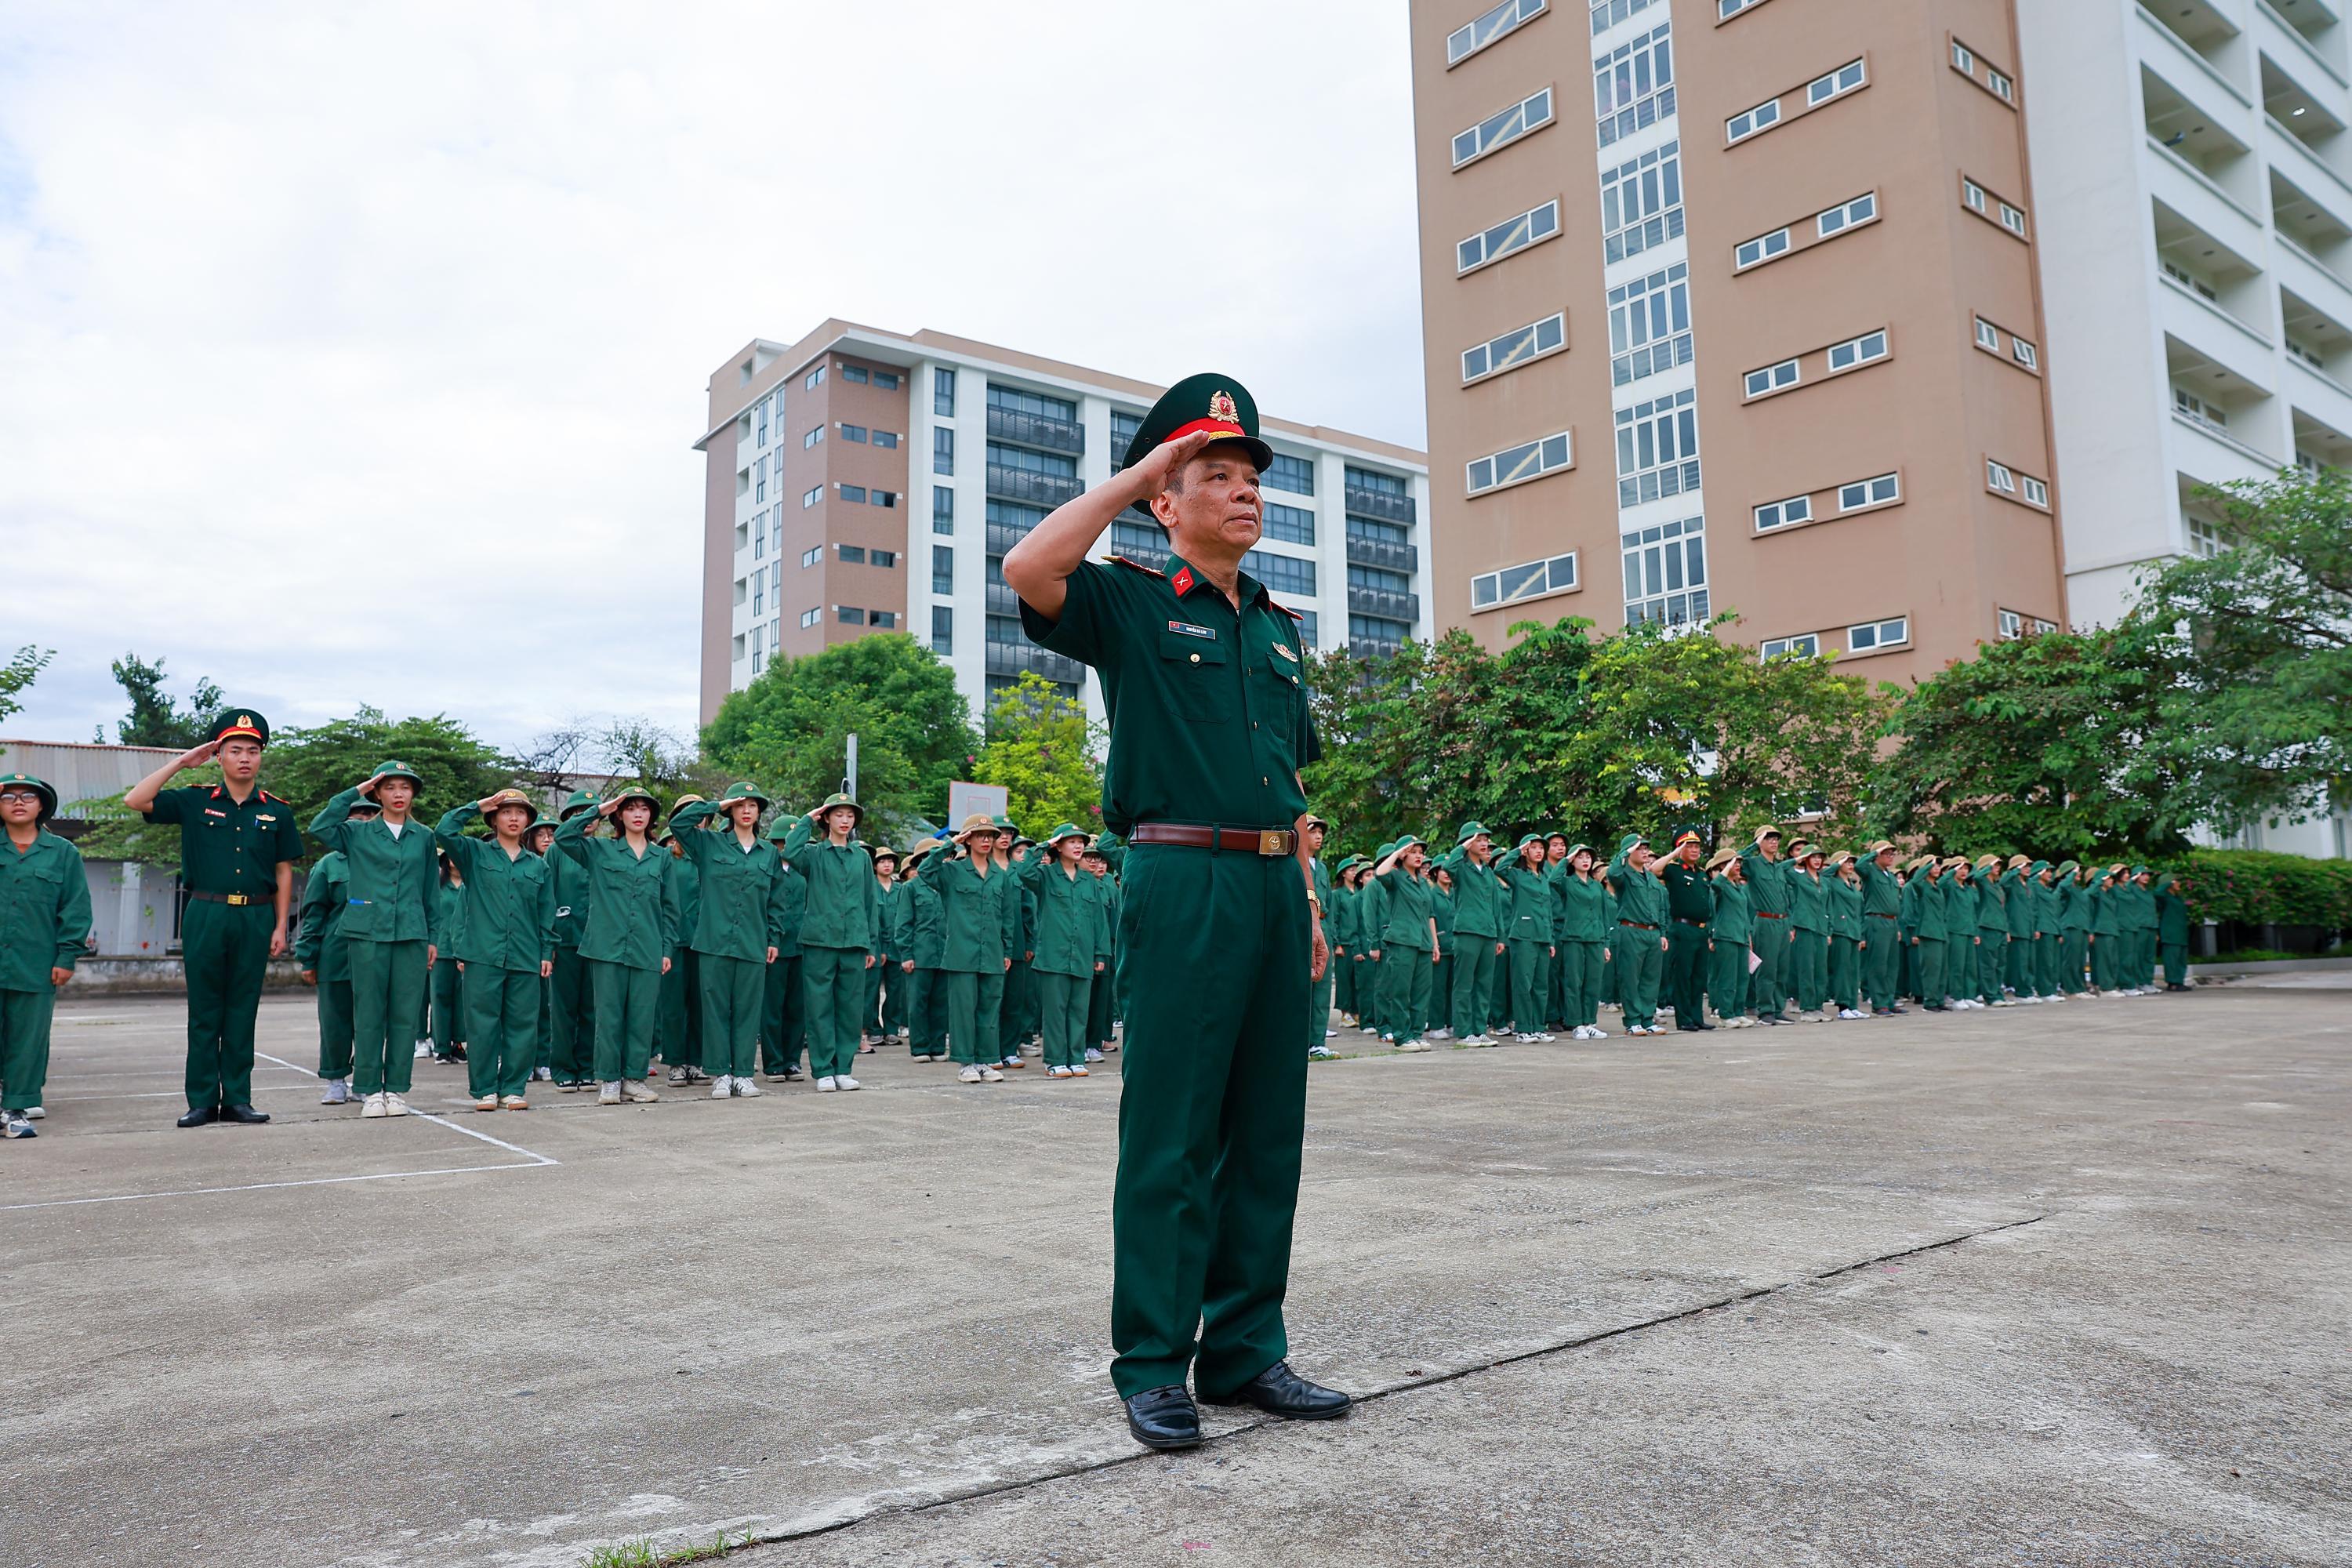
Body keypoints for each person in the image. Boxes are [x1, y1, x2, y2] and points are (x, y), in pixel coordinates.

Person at [1004, 373, 1346, 1450]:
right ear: (1168, 498)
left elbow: (1292, 791)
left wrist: (1308, 897)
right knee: (1172, 1135)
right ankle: (1154, 1363)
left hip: (1267, 888)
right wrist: (1141, 471)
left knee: (1266, 1134)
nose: (1245, 496)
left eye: (1252, 482)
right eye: (1218, 477)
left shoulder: (1283, 631)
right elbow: (1028, 567)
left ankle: (1248, 1351)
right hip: (1179, 877)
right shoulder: (1134, 602)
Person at [125, 712, 303, 1127]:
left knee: (243, 1008)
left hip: (257, 914)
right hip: (207, 911)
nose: (245, 758)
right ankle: (202, 1100)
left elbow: (283, 870)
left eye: (253, 751)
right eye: (235, 750)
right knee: (205, 1010)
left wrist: (280, 926)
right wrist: (182, 762)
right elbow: (136, 800)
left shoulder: (277, 811)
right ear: (218, 755)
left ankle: (238, 1098)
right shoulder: (194, 798)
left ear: (261, 758)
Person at [313, 761, 441, 1119]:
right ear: (378, 792)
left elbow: (431, 890)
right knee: (368, 1012)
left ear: (413, 793)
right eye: (389, 787)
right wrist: (357, 790)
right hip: (367, 932)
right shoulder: (357, 833)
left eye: (405, 787)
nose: (398, 794)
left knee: (405, 1015)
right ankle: (369, 1089)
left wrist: (432, 937)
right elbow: (320, 825)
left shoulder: (424, 837)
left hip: (412, 934)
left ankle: (397, 1089)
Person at [434, 789, 557, 1112]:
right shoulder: (475, 854)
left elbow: (546, 912)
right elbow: (444, 830)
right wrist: (475, 806)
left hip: (526, 955)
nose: (513, 818)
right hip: (483, 954)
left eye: (520, 812)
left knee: (522, 1024)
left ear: (529, 820)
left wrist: (546, 951)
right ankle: (486, 1089)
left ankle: (514, 1087)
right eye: (506, 812)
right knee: (482, 1024)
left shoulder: (538, 866)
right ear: (494, 818)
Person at [554, 788, 678, 1105]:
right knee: (608, 1017)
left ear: (651, 816)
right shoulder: (600, 850)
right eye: (630, 808)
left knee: (641, 1017)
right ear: (619, 815)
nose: (638, 814)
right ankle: (609, 1079)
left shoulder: (661, 857)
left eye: (644, 809)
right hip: (607, 947)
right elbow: (564, 837)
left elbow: (670, 908)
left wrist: (667, 949)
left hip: (648, 947)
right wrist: (598, 809)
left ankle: (634, 1079)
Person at [659, 783, 783, 1098]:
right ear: (730, 810)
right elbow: (678, 824)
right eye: (740, 805)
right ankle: (721, 1074)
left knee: (747, 1009)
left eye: (753, 806)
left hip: (753, 942)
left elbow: (777, 900)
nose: (746, 810)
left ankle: (743, 1073)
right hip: (714, 941)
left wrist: (774, 937)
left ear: (759, 813)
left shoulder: (768, 853)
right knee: (714, 1009)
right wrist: (715, 803)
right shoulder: (710, 844)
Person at [0, 772, 91, 1138]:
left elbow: (76, 909)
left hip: (36, 963)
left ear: (42, 806)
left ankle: (15, 1109)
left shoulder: (64, 853)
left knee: (28, 1037)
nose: (18, 802)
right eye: (9, 797)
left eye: (28, 796)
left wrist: (67, 957)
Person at [779, 794, 877, 1092]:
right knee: (819, 1006)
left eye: (850, 816)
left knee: (849, 1008)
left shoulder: (861, 857)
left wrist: (871, 944)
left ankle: (843, 1068)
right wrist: (808, 818)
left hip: (854, 942)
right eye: (838, 815)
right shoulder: (814, 854)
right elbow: (791, 852)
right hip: (820, 941)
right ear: (827, 819)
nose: (845, 820)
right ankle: (823, 1069)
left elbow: (870, 903)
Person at [295, 795, 376, 1103]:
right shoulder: (329, 865)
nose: (364, 821)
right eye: (357, 816)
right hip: (336, 955)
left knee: (370, 1021)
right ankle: (336, 1080)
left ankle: (367, 1081)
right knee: (335, 1021)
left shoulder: (384, 863)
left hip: (374, 953)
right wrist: (308, 957)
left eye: (370, 816)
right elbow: (314, 913)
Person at [1017, 823, 1108, 1078]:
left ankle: (1076, 1058)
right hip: (1053, 957)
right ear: (1059, 846)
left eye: (1081, 842)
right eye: (1072, 842)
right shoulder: (1045, 876)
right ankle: (1055, 1060)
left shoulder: (1089, 881)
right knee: (1055, 1011)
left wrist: (1100, 954)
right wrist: (1046, 844)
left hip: (1082, 955)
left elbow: (1098, 921)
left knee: (1079, 1010)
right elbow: (1024, 871)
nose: (1079, 846)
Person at [932, 814, 1013, 1083]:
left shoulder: (1000, 877)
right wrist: (949, 844)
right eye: (980, 835)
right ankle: (966, 1062)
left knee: (989, 1009)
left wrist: (1007, 951)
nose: (987, 840)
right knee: (964, 1010)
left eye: (990, 835)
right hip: (961, 954)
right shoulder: (952, 871)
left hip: (992, 953)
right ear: (968, 840)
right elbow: (925, 872)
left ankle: (985, 1060)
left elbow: (1007, 917)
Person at [1438, 822, 1505, 1046]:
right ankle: (1464, 1031)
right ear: (1467, 843)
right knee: (1464, 983)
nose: (1485, 843)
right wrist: (1463, 845)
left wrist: (1500, 937)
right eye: (1479, 839)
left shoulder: (1487, 872)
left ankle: (1479, 1029)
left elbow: (1496, 907)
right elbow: (1448, 866)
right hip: (1467, 931)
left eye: (1486, 839)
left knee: (1484, 984)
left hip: (1488, 932)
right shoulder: (1461, 868)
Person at [1368, 837, 1438, 1051]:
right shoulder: (1396, 878)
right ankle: (1402, 1036)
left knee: (1421, 992)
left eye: (1421, 852)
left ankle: (1417, 1034)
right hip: (1402, 941)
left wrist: (1435, 943)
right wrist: (1398, 852)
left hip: (1424, 942)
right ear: (1404, 855)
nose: (1419, 856)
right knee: (1401, 991)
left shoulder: (1424, 882)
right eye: (1413, 852)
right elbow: (1380, 873)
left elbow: (1430, 915)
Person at [658, 798, 708, 1086]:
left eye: (701, 816)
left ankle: (696, 1060)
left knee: (701, 1004)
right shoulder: (667, 857)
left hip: (704, 941)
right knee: (674, 1004)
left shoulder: (710, 855)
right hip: (674, 941)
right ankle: (676, 1062)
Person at [1493, 833, 1555, 1043]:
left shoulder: (1544, 877)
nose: (1538, 851)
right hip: (1523, 935)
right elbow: (1500, 869)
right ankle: (1523, 1028)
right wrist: (1517, 851)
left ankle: (1538, 1027)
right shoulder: (1519, 875)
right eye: (1533, 847)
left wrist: (1551, 939)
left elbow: (1548, 910)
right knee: (1523, 983)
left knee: (1541, 985)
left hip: (1543, 936)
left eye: (1541, 848)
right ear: (1526, 851)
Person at [761, 818, 810, 1079]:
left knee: (796, 1007)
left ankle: (792, 1059)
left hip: (801, 945)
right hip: (774, 947)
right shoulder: (769, 868)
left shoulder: (804, 871)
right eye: (782, 843)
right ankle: (773, 1062)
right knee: (772, 1007)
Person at [1607, 834, 1668, 1036]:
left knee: (1651, 978)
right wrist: (1623, 854)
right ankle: (1633, 1021)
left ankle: (1647, 1018)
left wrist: (1662, 932)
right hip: (1631, 929)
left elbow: (1660, 907)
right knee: (1630, 978)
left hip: (1652, 932)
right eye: (1639, 848)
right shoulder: (1623, 874)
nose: (1644, 852)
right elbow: (1612, 874)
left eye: (1646, 848)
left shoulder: (1650, 877)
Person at [1657, 829, 1715, 1033]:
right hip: (1682, 928)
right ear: (1679, 849)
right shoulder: (1674, 869)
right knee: (1683, 975)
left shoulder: (1701, 874)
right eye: (1688, 846)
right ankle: (1684, 1019)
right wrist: (1674, 854)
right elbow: (1654, 869)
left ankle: (1697, 1017)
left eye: (1696, 846)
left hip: (1700, 930)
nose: (1693, 850)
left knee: (1699, 977)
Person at [1552, 843, 1610, 1039]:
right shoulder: (1568, 882)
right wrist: (1566, 859)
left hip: (1595, 938)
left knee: (1593, 982)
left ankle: (1589, 1021)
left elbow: (1604, 915)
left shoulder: (1596, 885)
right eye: (1580, 856)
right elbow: (1553, 879)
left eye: (1588, 857)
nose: (1585, 860)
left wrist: (1606, 943)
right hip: (1574, 938)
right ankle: (1576, 1023)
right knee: (1574, 981)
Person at [898, 841, 949, 1061]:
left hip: (946, 954)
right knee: (918, 1002)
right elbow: (903, 924)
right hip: (921, 954)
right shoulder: (911, 888)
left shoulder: (948, 886)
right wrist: (907, 955)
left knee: (941, 1002)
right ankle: (920, 1047)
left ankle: (937, 1046)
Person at [1737, 826, 1792, 1024]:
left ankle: (1778, 1009)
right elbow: (1734, 861)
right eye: (1768, 839)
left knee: (1782, 968)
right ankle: (1766, 1010)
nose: (1774, 842)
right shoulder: (1752, 864)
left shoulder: (1779, 867)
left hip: (1783, 921)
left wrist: (1791, 924)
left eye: (1776, 839)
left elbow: (1785, 897)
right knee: (1767, 968)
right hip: (1765, 920)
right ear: (1760, 842)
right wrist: (1754, 844)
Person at [1302, 816, 1340, 1056]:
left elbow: (1330, 907)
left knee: (1323, 987)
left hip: (1323, 927)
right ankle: (1300, 1042)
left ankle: (1317, 1042)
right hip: (1303, 927)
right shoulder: (1294, 863)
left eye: (1320, 833)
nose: (1318, 836)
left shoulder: (1323, 868)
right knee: (1303, 987)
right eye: (1313, 831)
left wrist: (1332, 937)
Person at [1782, 840, 1831, 1022]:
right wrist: (1798, 858)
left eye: (1820, 857)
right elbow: (1781, 869)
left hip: (1821, 928)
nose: (1817, 860)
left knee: (1820, 969)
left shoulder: (1824, 880)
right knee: (1807, 969)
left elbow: (1829, 906)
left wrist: (1829, 930)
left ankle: (1818, 1007)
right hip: (1805, 926)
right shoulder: (1798, 877)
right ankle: (1807, 1008)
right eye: (1813, 857)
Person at [1704, 848, 1752, 1029]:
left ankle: (1738, 1011)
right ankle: (1725, 1014)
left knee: (1742, 977)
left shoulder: (1738, 887)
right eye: (1734, 862)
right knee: (1728, 977)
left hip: (1741, 936)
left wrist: (1748, 936)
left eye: (1739, 862)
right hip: (1726, 936)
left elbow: (1745, 915)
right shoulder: (1721, 886)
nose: (1738, 865)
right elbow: (1716, 884)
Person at [1083, 837, 1122, 1060]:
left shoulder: (1108, 881)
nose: (1099, 864)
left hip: (1110, 947)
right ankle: (1083, 1043)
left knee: (1103, 999)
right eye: (1092, 859)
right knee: (1085, 1000)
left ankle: (1097, 1040)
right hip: (1088, 947)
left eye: (1101, 860)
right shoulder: (1084, 882)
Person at [429, 851, 467, 1063]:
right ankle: (442, 1046)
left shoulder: (472, 884)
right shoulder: (438, 887)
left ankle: (459, 1044)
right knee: (440, 997)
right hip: (442, 948)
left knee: (463, 999)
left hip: (466, 950)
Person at [1859, 842, 1905, 1017]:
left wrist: (1898, 926)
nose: (1891, 857)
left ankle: (1889, 1000)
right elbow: (1859, 866)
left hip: (1892, 922)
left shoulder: (1891, 877)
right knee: (1878, 964)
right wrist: (1874, 853)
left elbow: (1895, 903)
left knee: (1892, 965)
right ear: (1877, 855)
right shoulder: (1870, 871)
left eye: (1893, 854)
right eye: (1886, 853)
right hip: (1876, 920)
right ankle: (1879, 1003)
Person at [1826, 851, 1864, 1020]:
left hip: (1854, 930)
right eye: (1846, 862)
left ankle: (1853, 1005)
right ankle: (1843, 1006)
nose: (1850, 865)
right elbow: (1823, 873)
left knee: (1853, 970)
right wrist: (1835, 863)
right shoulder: (1832, 882)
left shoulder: (1851, 884)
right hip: (1840, 930)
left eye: (1851, 862)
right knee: (1841, 969)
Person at [2054, 861, 2091, 997]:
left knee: (2080, 960)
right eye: (2075, 871)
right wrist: (2071, 873)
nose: (2079, 873)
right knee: (2071, 960)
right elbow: (2063, 885)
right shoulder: (2064, 887)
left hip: (2081, 927)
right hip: (2070, 926)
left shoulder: (2078, 889)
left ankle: (2079, 987)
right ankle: (2070, 988)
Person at [2155, 871, 2191, 990]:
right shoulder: (2164, 897)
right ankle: (2172, 982)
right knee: (2171, 959)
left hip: (2181, 933)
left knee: (2181, 959)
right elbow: (2157, 892)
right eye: (2176, 881)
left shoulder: (2178, 897)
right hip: (2170, 933)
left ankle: (2179, 981)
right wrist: (2167, 883)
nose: (2179, 883)